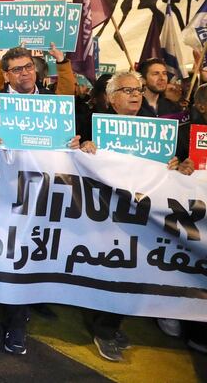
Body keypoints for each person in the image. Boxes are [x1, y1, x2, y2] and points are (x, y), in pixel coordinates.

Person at [0, 46, 82, 356]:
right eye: (17, 69)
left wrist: (73, 142)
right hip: (5, 191)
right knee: (14, 251)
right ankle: (16, 319)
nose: (24, 73)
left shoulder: (52, 104)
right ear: (6, 74)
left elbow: (67, 140)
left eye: (28, 67)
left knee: (37, 246)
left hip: (43, 191)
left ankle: (32, 298)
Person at [78, 70, 193, 362]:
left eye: (138, 90)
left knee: (133, 270)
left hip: (141, 214)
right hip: (102, 212)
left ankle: (110, 325)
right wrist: (84, 149)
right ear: (110, 98)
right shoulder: (93, 125)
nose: (135, 95)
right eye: (127, 90)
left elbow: (180, 162)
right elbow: (69, 156)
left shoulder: (156, 130)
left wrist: (178, 163)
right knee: (108, 268)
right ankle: (103, 328)